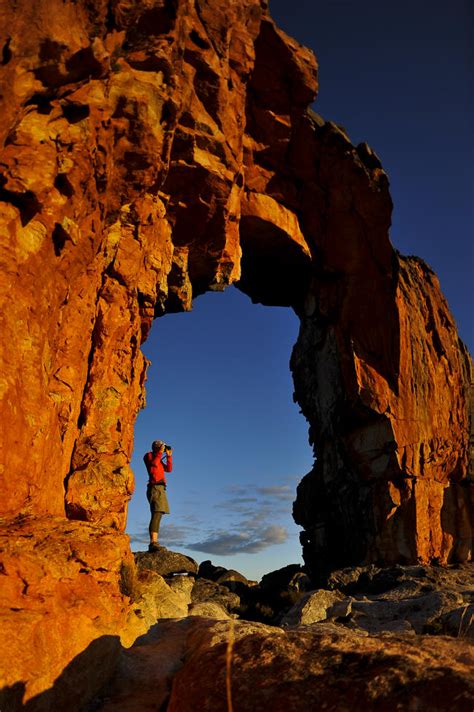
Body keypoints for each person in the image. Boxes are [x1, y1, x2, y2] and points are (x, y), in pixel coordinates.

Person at [143, 440, 173, 552]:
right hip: (155, 487)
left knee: (158, 513)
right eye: (161, 446)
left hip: (160, 488)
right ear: (156, 447)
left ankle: (154, 541)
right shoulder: (149, 456)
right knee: (156, 513)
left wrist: (169, 456)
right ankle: (153, 542)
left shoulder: (158, 458)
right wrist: (160, 453)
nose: (163, 448)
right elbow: (154, 466)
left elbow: (169, 469)